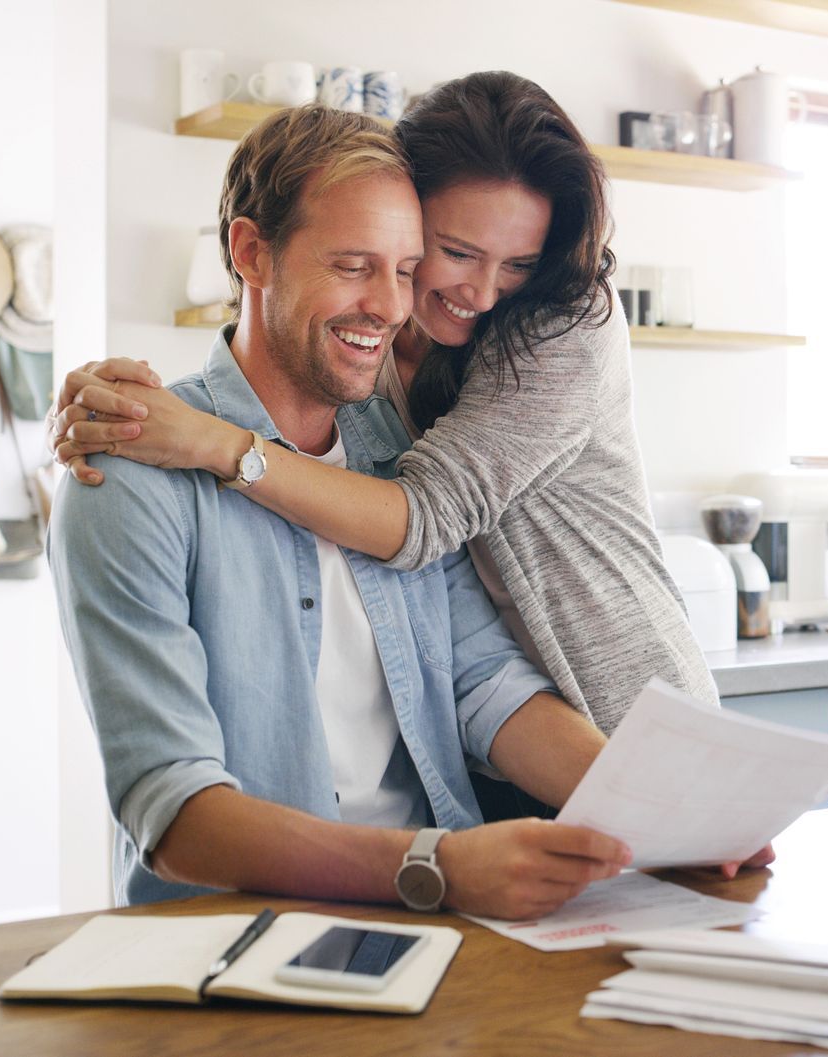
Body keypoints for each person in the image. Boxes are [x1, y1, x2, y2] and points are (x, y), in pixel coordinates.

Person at [51, 105, 635, 919]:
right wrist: (438, 865)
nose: (390, 306)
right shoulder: (130, 472)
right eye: (354, 265)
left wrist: (659, 810)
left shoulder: (397, 455)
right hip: (236, 940)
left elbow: (484, 683)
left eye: (405, 269)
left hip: (436, 917)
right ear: (250, 252)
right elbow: (173, 807)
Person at [48, 72, 715, 742]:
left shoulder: (564, 327)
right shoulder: (382, 344)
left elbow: (422, 516)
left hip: (628, 711)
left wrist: (211, 441)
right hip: (492, 740)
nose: (484, 293)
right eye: (455, 252)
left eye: (517, 263)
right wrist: (106, 400)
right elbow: (277, 337)